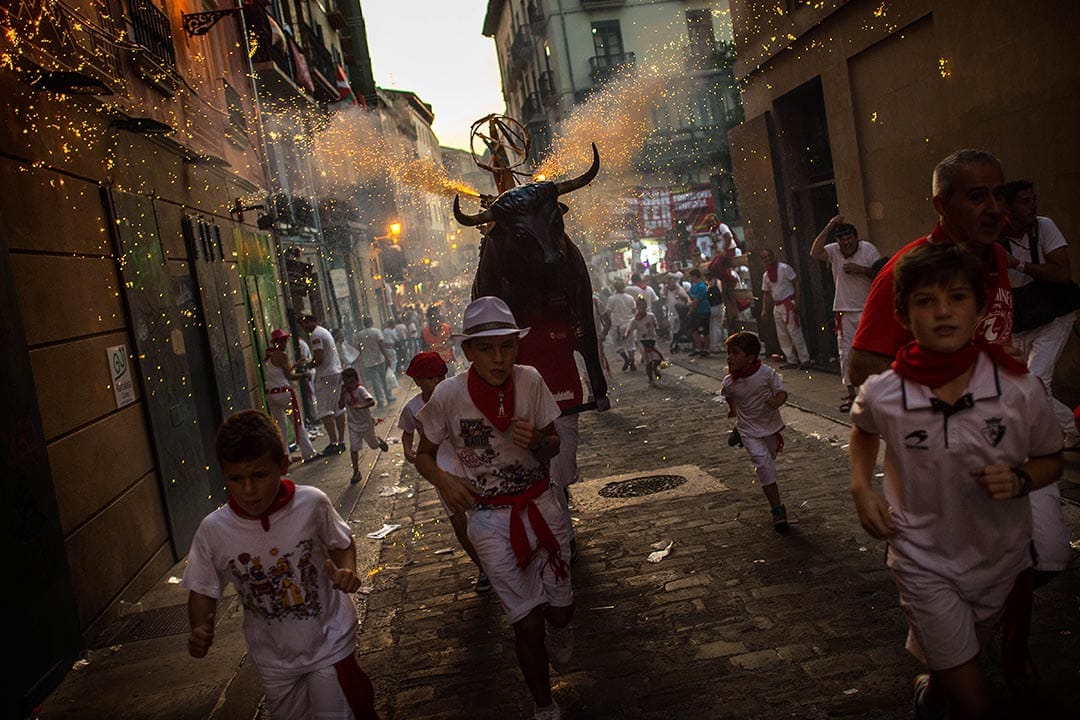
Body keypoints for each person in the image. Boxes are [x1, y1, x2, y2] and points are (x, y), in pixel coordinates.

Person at [848, 243, 1063, 719]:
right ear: (903, 315)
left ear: (981, 308)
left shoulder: (1020, 389)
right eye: (926, 301)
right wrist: (861, 488)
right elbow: (862, 433)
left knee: (957, 663)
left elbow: (1052, 458)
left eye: (958, 298)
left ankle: (933, 692)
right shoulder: (885, 391)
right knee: (974, 700)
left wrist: (1023, 477)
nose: (943, 311)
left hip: (1000, 559)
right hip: (922, 558)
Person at [414, 296, 571, 720]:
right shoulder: (448, 396)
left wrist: (538, 442)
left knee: (559, 614)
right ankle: (545, 706)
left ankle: (559, 622)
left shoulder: (531, 381)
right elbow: (423, 453)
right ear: (468, 352)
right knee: (527, 623)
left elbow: (554, 441)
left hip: (541, 505)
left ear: (517, 347)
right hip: (488, 520)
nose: (498, 358)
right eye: (486, 349)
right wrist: (445, 481)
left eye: (506, 346)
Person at [182, 409, 379, 720]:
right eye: (236, 478)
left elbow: (341, 543)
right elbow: (203, 587)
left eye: (259, 475)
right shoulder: (213, 530)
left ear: (282, 466)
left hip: (328, 641)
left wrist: (347, 571)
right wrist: (200, 627)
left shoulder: (312, 503)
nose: (248, 489)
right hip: (273, 657)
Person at [849, 148, 1015, 387]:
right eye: (977, 197)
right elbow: (862, 370)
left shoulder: (997, 255)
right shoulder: (906, 271)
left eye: (999, 195)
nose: (995, 209)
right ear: (943, 206)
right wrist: (964, 371)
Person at [399, 351, 490, 593]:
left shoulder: (456, 396)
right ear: (418, 381)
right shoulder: (413, 408)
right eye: (431, 379)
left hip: (471, 461)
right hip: (441, 467)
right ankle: (483, 568)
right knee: (459, 520)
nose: (437, 383)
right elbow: (407, 432)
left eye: (440, 377)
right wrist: (409, 451)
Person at [1000, 179, 1080, 449]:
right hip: (1022, 318)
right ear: (1007, 208)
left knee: (1035, 381)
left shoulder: (1044, 227)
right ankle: (1072, 427)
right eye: (1025, 201)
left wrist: (1020, 264)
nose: (1033, 206)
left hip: (1054, 314)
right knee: (1023, 386)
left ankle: (1053, 438)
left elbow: (1062, 272)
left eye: (1033, 199)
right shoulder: (994, 237)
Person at [809, 215, 882, 410]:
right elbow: (814, 252)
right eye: (842, 240)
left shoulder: (868, 249)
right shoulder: (833, 251)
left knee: (872, 351)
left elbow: (880, 272)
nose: (846, 243)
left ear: (856, 238)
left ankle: (876, 392)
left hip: (868, 308)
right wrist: (829, 225)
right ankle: (851, 393)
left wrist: (860, 269)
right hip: (844, 310)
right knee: (846, 353)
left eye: (849, 239)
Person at [721, 331, 791, 528]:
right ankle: (777, 508)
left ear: (750, 358)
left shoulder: (766, 374)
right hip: (749, 430)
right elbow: (728, 394)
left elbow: (782, 392)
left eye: (735, 353)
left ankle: (738, 432)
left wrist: (776, 401)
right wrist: (732, 409)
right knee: (763, 464)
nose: (729, 357)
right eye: (728, 352)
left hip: (769, 427)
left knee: (770, 455)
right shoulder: (729, 382)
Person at [263, 328, 317, 462]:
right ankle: (309, 453)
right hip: (284, 394)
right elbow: (289, 376)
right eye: (283, 341)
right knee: (298, 423)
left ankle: (285, 457)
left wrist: (293, 366)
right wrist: (305, 375)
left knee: (280, 428)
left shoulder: (269, 356)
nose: (285, 343)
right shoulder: (281, 355)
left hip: (271, 395)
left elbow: (280, 373)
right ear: (278, 342)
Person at [298, 313, 346, 456]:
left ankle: (333, 442)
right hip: (335, 371)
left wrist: (307, 365)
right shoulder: (323, 331)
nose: (303, 327)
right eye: (301, 324)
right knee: (338, 408)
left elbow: (319, 358)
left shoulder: (315, 335)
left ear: (313, 321)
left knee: (325, 410)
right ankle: (341, 442)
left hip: (325, 375)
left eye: (305, 323)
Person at [760, 248, 811, 369]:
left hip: (788, 303)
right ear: (762, 261)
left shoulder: (784, 268)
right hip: (777, 306)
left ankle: (805, 359)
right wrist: (764, 309)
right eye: (765, 258)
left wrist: (797, 301)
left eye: (769, 256)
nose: (768, 259)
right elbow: (766, 293)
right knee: (782, 334)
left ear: (773, 256)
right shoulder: (766, 275)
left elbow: (797, 282)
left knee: (795, 332)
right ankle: (791, 359)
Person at [338, 367, 389, 484]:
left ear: (356, 380)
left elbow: (371, 401)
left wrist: (361, 406)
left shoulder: (361, 390)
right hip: (353, 425)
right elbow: (340, 406)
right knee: (354, 448)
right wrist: (342, 394)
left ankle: (378, 441)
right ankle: (356, 471)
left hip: (366, 423)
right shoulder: (345, 392)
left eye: (352, 382)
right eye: (347, 383)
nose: (350, 386)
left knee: (374, 446)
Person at [354, 316, 394, 410]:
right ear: (371, 322)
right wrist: (387, 357)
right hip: (379, 359)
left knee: (375, 382)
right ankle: (388, 396)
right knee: (384, 380)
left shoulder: (359, 335)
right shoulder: (376, 332)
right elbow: (381, 346)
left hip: (368, 362)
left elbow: (358, 349)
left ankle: (380, 400)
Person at [602, 278, 638, 371]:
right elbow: (634, 310)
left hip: (617, 326)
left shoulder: (612, 299)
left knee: (618, 345)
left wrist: (607, 322)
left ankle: (626, 359)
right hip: (629, 324)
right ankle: (632, 362)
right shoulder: (629, 297)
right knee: (631, 344)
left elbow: (608, 312)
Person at [629, 296, 663, 386]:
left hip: (652, 339)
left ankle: (655, 369)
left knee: (658, 357)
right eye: (640, 306)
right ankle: (651, 379)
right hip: (642, 341)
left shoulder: (650, 316)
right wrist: (625, 335)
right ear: (637, 307)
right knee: (648, 361)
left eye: (644, 305)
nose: (643, 307)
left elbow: (656, 325)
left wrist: (657, 328)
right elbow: (630, 329)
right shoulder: (634, 320)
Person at [422, 305, 456, 375]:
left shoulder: (446, 328)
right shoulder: (424, 332)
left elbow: (453, 341)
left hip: (448, 363)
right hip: (434, 365)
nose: (433, 321)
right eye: (431, 318)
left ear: (438, 317)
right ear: (428, 319)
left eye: (434, 317)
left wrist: (448, 343)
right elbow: (424, 348)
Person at [686, 267, 712, 357]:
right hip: (696, 311)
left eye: (690, 277)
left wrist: (690, 305)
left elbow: (696, 301)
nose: (690, 278)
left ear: (694, 276)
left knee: (705, 331)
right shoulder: (693, 286)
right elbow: (690, 297)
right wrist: (690, 303)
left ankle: (707, 349)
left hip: (703, 311)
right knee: (695, 331)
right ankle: (698, 348)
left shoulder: (702, 286)